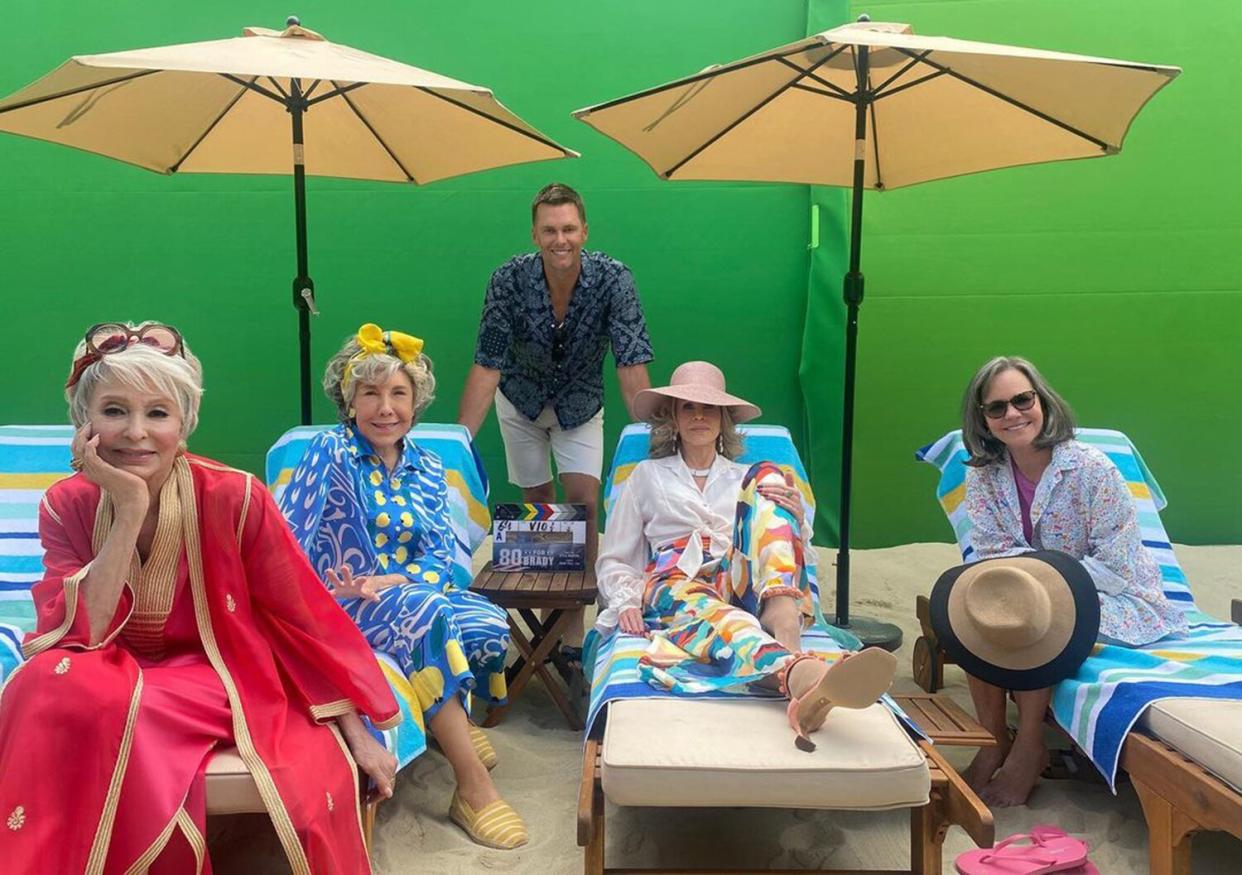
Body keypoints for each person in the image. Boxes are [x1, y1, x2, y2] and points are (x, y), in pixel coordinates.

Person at [0, 322, 399, 873]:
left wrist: (358, 734)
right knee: (46, 680)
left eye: (158, 413)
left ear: (184, 424)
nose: (136, 432)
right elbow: (83, 634)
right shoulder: (65, 504)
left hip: (221, 676)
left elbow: (300, 619)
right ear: (84, 422)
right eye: (114, 410)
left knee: (97, 702)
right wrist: (128, 506)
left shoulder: (236, 496)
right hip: (113, 673)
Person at [280, 324, 526, 850]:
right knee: (427, 613)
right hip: (337, 605)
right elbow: (281, 543)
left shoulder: (429, 467)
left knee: (487, 625)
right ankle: (472, 787)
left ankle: (446, 716)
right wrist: (329, 588)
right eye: (370, 393)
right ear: (349, 401)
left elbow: (442, 555)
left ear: (416, 401)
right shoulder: (329, 452)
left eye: (398, 393)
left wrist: (400, 579)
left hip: (405, 595)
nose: (385, 408)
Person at [595, 361, 896, 749]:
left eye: (710, 408)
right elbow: (616, 556)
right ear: (672, 417)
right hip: (677, 582)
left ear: (725, 420)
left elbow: (783, 546)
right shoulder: (646, 476)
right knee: (729, 619)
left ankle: (784, 623)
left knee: (771, 477)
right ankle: (803, 675)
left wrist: (797, 517)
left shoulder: (744, 475)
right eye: (688, 407)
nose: (699, 415)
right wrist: (624, 600)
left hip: (746, 578)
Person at [955, 355, 1186, 806]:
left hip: (1117, 597)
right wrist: (1033, 581)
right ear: (982, 419)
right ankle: (992, 736)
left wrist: (1045, 581)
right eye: (996, 407)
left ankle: (1027, 748)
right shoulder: (982, 474)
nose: (1012, 414)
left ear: (1043, 401)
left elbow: (1117, 566)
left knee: (1034, 618)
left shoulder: (1091, 468)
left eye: (1022, 400)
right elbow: (989, 551)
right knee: (971, 608)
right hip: (1026, 588)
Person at [457, 182, 653, 577]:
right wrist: (459, 441)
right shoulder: (506, 280)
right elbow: (488, 362)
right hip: (520, 399)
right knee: (538, 501)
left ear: (584, 231)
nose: (559, 239)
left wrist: (650, 439)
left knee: (585, 503)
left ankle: (575, 618)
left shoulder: (615, 280)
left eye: (568, 229)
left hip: (580, 403)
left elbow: (630, 363)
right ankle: (546, 598)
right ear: (535, 235)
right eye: (549, 230)